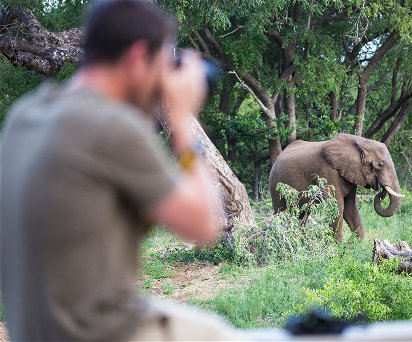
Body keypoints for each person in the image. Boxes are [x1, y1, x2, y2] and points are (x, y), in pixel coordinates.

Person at [0, 0, 256, 340]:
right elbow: (205, 225)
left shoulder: (25, 115)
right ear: (136, 59)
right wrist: (180, 120)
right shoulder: (111, 127)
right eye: (162, 64)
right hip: (99, 333)